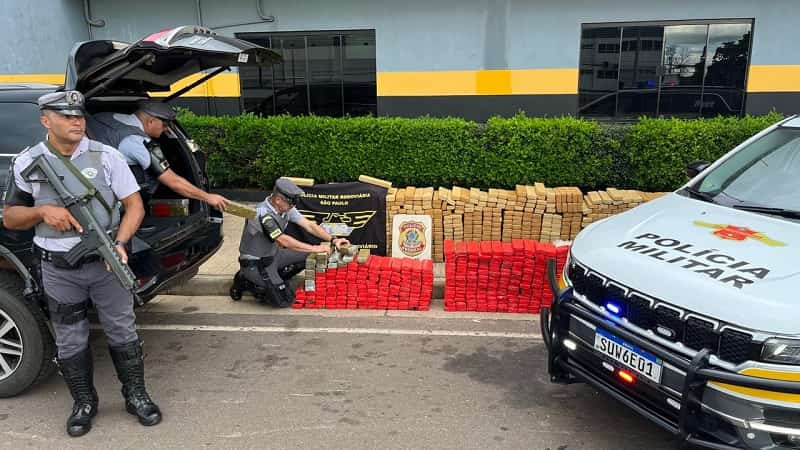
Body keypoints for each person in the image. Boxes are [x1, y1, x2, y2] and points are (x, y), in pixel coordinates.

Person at [2, 91, 161, 437]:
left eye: (80, 116)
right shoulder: (27, 161)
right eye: (67, 116)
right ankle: (84, 403)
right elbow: (11, 218)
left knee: (123, 331)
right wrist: (42, 211)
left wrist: (119, 243)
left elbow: (134, 206)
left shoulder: (108, 157)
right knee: (70, 339)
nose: (77, 121)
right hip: (59, 269)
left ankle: (136, 395)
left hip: (105, 265)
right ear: (46, 120)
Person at [86, 100, 228, 211]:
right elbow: (174, 182)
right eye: (165, 125)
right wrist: (207, 197)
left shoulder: (103, 116)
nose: (166, 130)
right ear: (151, 121)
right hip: (112, 200)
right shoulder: (137, 142)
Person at [231, 178, 350, 307]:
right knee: (283, 301)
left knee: (309, 258)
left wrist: (333, 239)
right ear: (278, 200)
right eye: (291, 202)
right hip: (256, 263)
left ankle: (275, 278)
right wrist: (314, 248)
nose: (294, 205)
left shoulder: (285, 208)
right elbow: (284, 240)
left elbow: (309, 225)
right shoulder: (262, 214)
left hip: (273, 256)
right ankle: (245, 280)